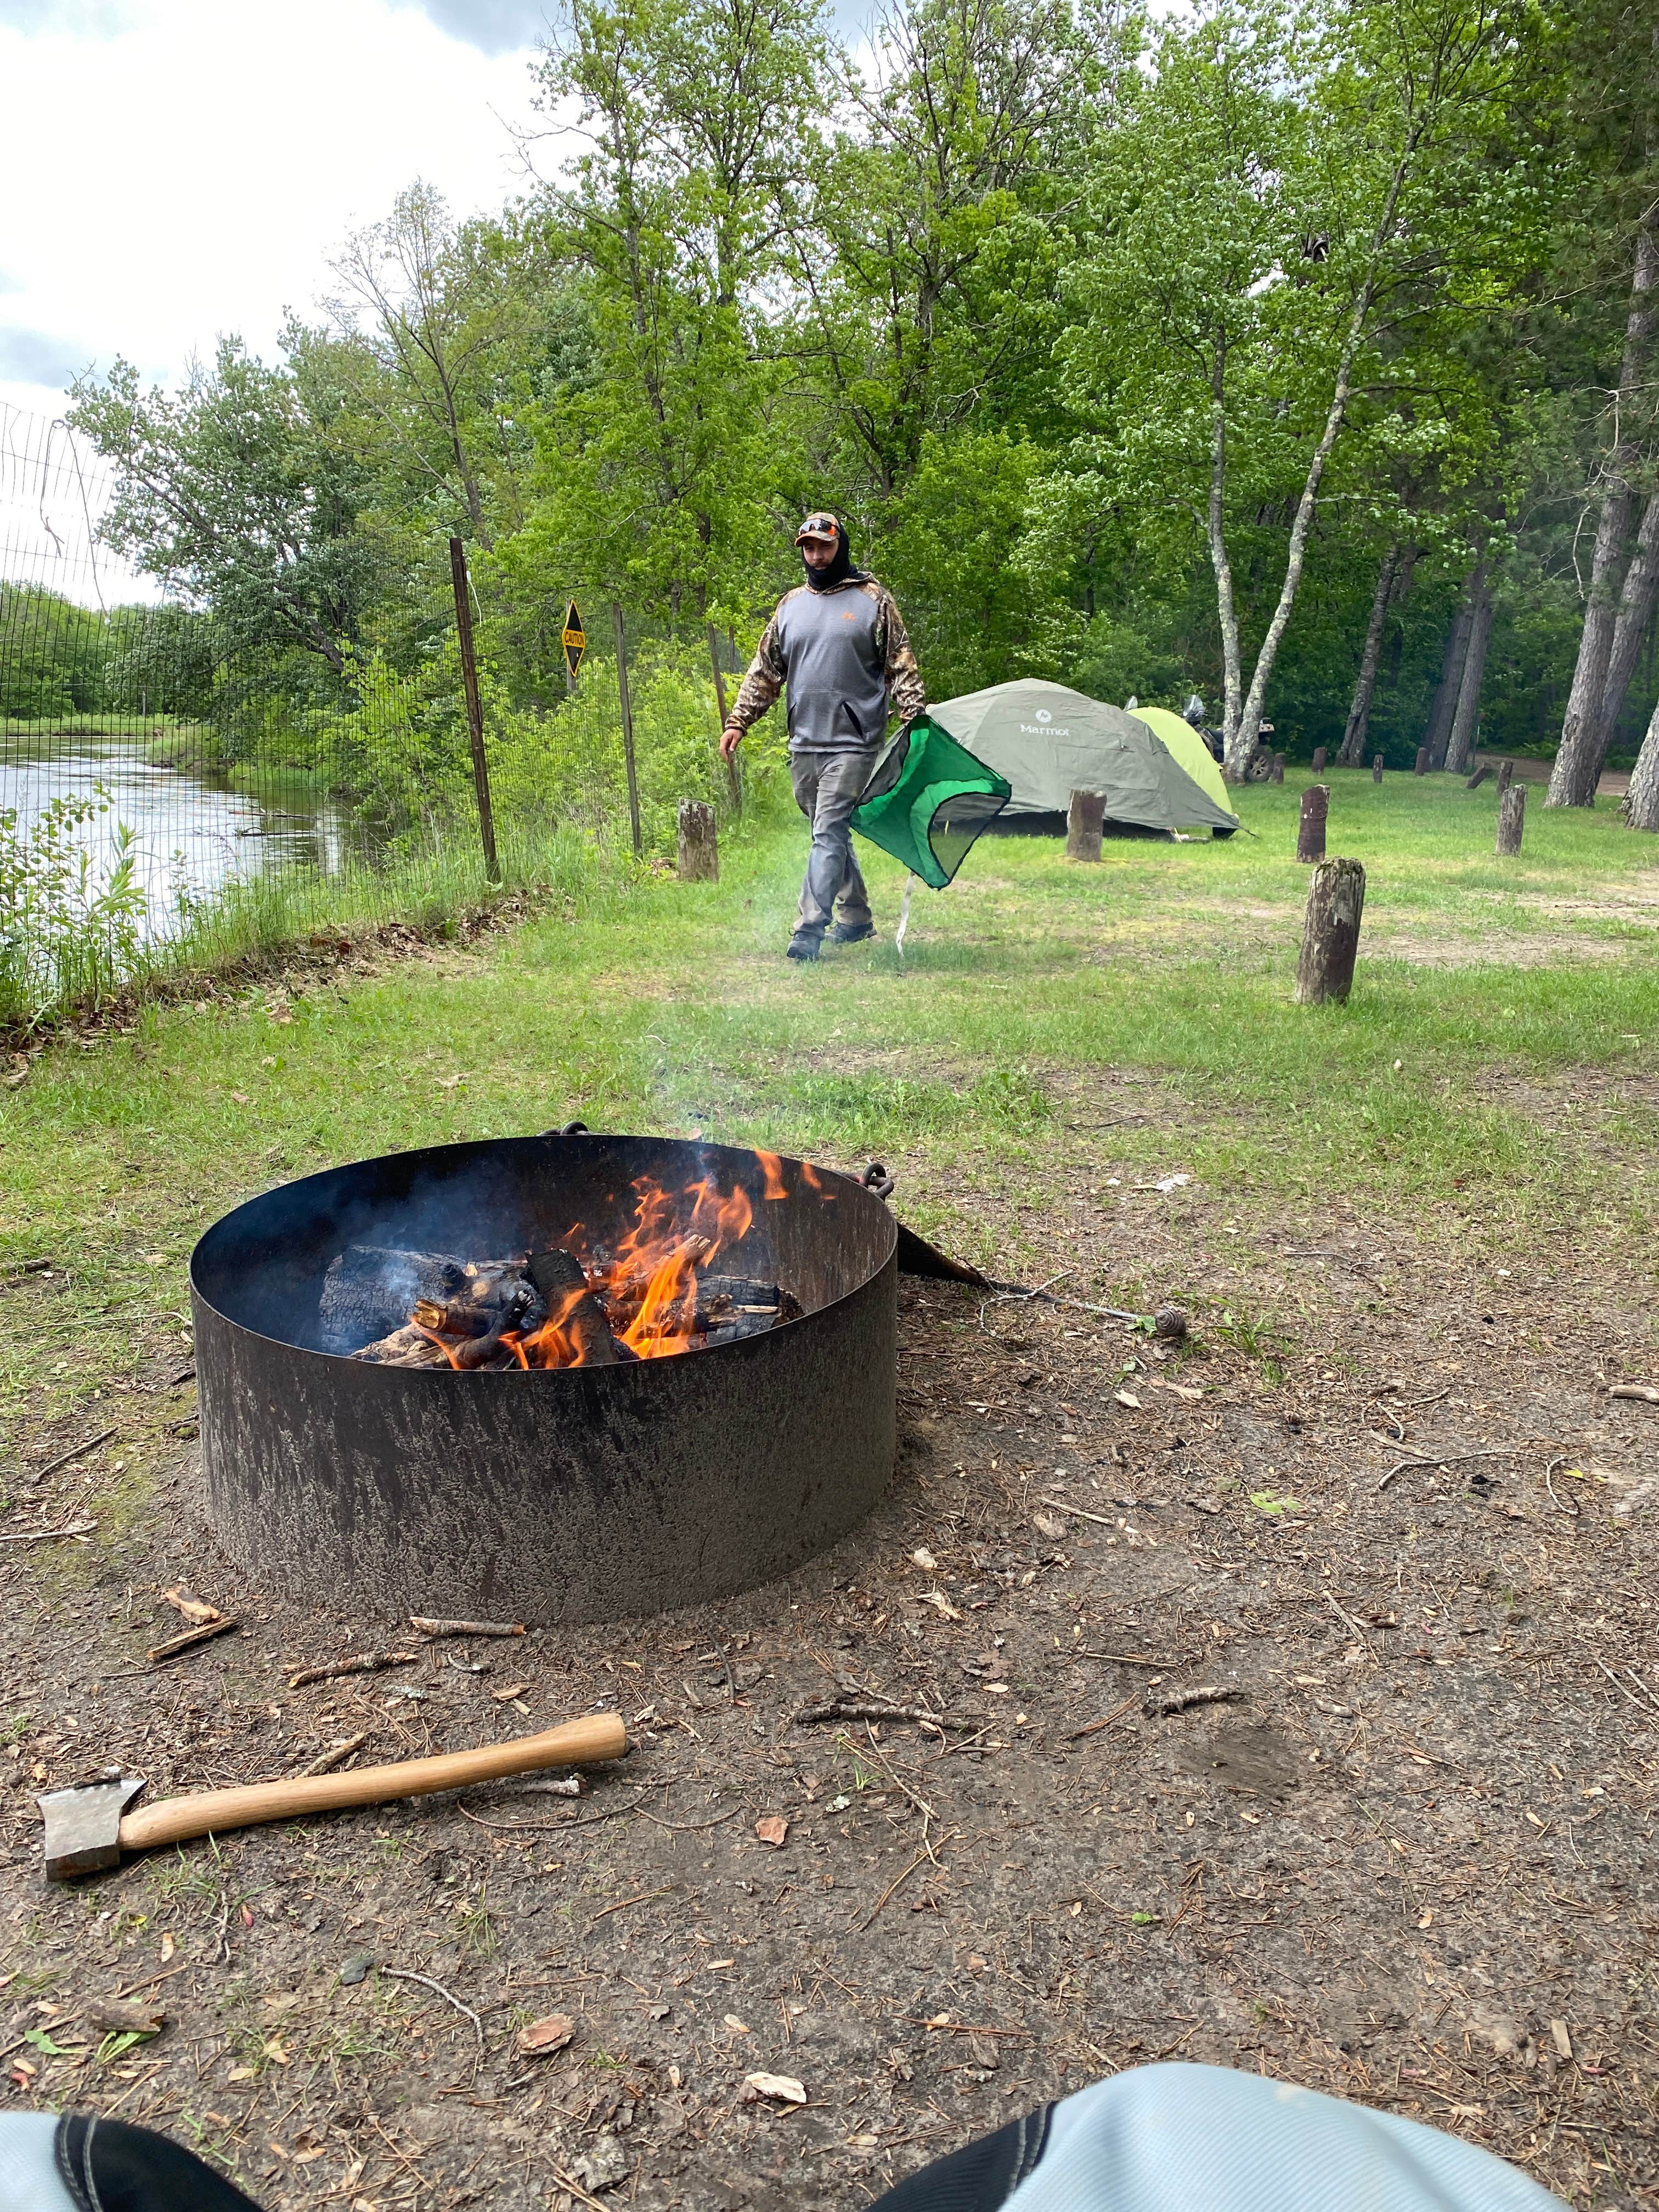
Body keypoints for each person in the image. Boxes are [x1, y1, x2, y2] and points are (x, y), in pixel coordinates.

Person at [720, 511, 926, 961]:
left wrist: (915, 719)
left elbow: (900, 663)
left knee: (828, 830)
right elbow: (766, 670)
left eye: (825, 547)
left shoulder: (873, 599)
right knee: (826, 830)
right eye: (809, 548)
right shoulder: (791, 605)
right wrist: (739, 721)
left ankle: (808, 930)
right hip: (805, 740)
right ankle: (855, 917)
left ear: (840, 546)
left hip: (855, 741)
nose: (816, 556)